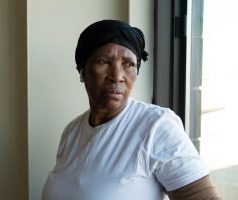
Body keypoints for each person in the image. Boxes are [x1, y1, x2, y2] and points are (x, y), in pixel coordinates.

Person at [42, 19, 221, 200]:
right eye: (103, 61)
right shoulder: (72, 132)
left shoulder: (156, 127)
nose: (117, 76)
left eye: (128, 64)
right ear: (82, 70)